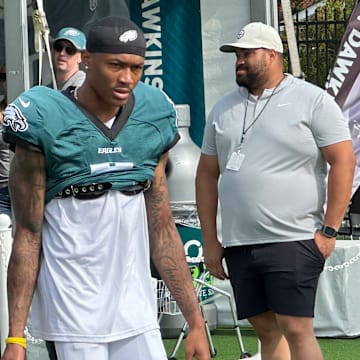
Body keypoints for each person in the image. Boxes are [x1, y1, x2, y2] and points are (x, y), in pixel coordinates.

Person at [1, 16, 210, 360]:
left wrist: (195, 320)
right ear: (87, 60)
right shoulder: (45, 117)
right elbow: (28, 233)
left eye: (136, 67)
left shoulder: (152, 115)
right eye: (115, 65)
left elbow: (161, 227)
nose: (126, 78)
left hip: (136, 310)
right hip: (72, 312)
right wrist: (15, 338)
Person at [195, 22, 356, 360]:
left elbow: (343, 161)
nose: (239, 61)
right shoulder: (223, 108)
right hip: (240, 243)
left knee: (296, 328)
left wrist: (329, 230)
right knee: (266, 329)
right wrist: (211, 240)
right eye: (236, 55)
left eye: (247, 54)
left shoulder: (312, 100)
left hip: (293, 238)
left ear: (272, 55)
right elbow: (207, 175)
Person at [0, 64, 12, 219]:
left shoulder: (30, 108)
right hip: (2, 188)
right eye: (2, 77)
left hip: (25, 185)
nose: (5, 82)